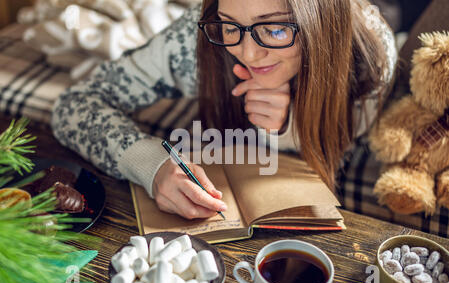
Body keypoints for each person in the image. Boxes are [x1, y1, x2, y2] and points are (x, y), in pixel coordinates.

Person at [51, 0, 397, 220]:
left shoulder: (371, 55)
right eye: (231, 26)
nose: (246, 53)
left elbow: (353, 130)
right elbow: (73, 106)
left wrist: (289, 127)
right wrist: (152, 165)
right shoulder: (194, 38)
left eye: (275, 28)